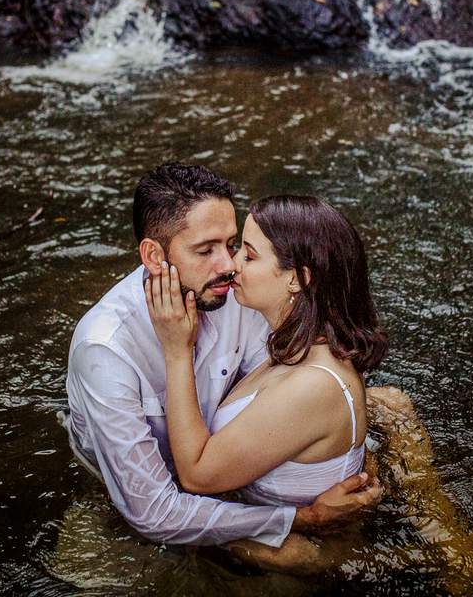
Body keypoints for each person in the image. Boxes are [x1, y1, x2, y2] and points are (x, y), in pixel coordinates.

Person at [146, 195, 473, 594]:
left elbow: (196, 475)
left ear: (297, 278)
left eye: (249, 254)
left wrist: (177, 350)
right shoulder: (303, 347)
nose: (231, 264)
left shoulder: (311, 385)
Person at [61, 164, 381, 552]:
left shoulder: (237, 294)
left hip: (220, 478)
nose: (228, 265)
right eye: (206, 250)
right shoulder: (105, 349)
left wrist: (357, 456)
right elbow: (154, 513)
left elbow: (299, 401)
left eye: (233, 245)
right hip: (130, 501)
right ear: (154, 256)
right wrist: (301, 518)